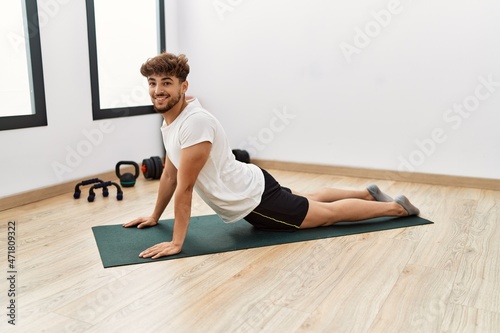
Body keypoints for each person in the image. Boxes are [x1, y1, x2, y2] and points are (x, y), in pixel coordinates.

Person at [123, 52, 420, 259]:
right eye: (152, 83)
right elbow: (170, 174)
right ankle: (367, 193)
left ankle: (395, 209)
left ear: (183, 86)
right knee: (307, 199)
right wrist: (154, 216)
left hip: (254, 200)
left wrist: (177, 242)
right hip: (253, 183)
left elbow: (185, 187)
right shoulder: (171, 121)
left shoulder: (195, 123)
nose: (157, 90)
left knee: (328, 216)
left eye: (166, 83)